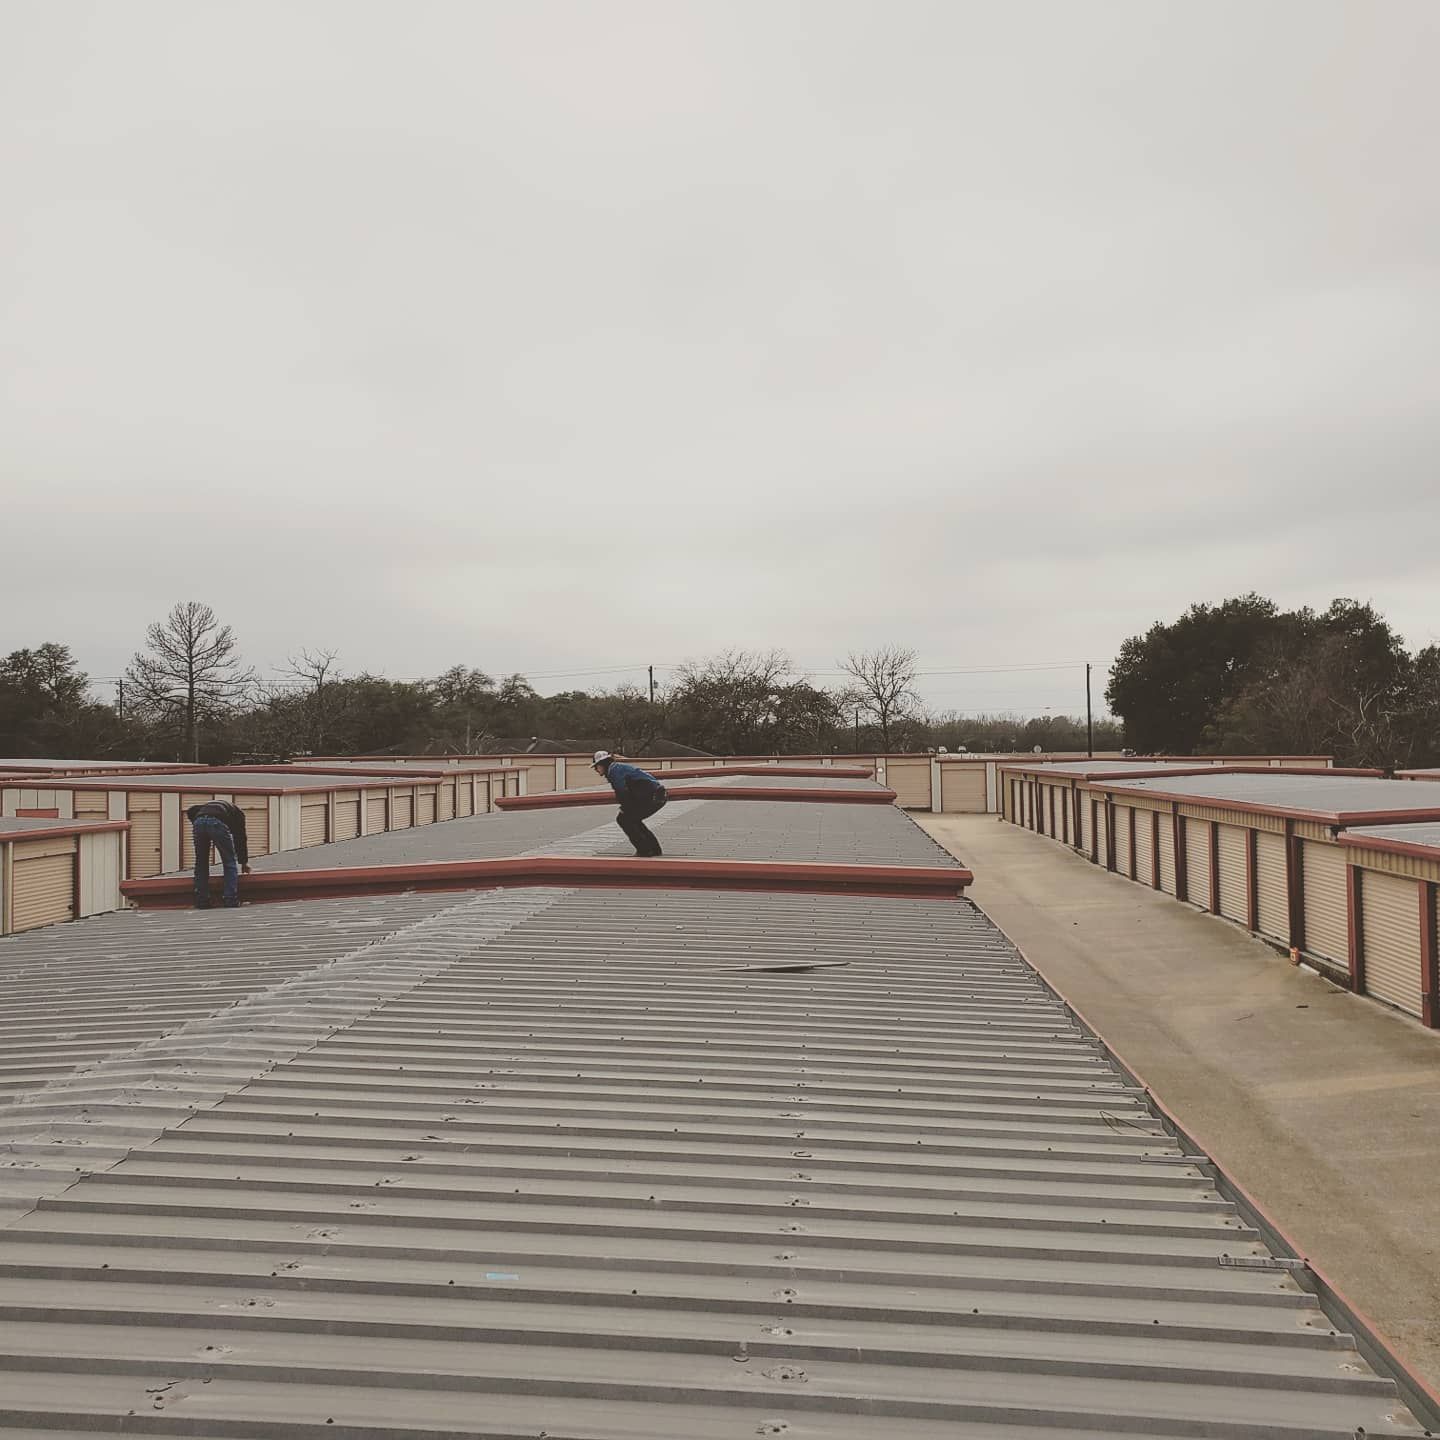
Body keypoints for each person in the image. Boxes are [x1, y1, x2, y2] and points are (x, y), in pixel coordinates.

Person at [592, 751, 668, 857]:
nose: (596, 770)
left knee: (624, 819)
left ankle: (644, 850)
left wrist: (625, 807)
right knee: (632, 819)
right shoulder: (618, 767)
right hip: (657, 795)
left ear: (603, 764)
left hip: (651, 797)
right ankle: (654, 849)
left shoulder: (614, 771)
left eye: (596, 766)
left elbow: (621, 791)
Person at [186, 800, 252, 908]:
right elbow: (240, 839)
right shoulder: (238, 815)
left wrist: (197, 823)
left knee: (201, 863)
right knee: (229, 861)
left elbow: (192, 812)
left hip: (199, 823)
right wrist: (243, 862)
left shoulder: (205, 808)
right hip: (217, 823)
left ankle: (202, 901)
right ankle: (230, 900)